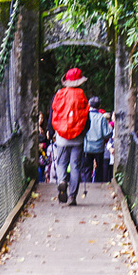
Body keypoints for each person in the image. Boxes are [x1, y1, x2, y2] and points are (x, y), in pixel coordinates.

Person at [49, 67, 90, 205]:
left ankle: (61, 181)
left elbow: (53, 113)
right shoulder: (82, 95)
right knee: (75, 166)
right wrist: (84, 132)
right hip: (77, 137)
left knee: (61, 163)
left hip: (61, 137)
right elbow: (86, 117)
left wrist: (51, 130)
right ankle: (72, 196)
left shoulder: (59, 94)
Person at [81, 96, 113, 183]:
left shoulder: (84, 116)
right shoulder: (101, 118)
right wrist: (110, 129)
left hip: (86, 147)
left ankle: (86, 184)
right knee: (99, 169)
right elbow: (106, 134)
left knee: (86, 169)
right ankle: (97, 186)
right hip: (98, 148)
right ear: (99, 106)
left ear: (89, 105)